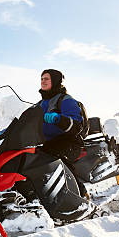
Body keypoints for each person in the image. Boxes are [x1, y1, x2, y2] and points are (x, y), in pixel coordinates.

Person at [38, 69, 88, 197]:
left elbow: (77, 124)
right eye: (42, 78)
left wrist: (59, 119)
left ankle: (80, 196)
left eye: (46, 78)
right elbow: (26, 121)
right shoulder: (40, 104)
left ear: (55, 81)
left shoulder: (65, 100)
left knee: (54, 158)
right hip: (47, 143)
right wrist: (8, 131)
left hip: (68, 142)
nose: (43, 81)